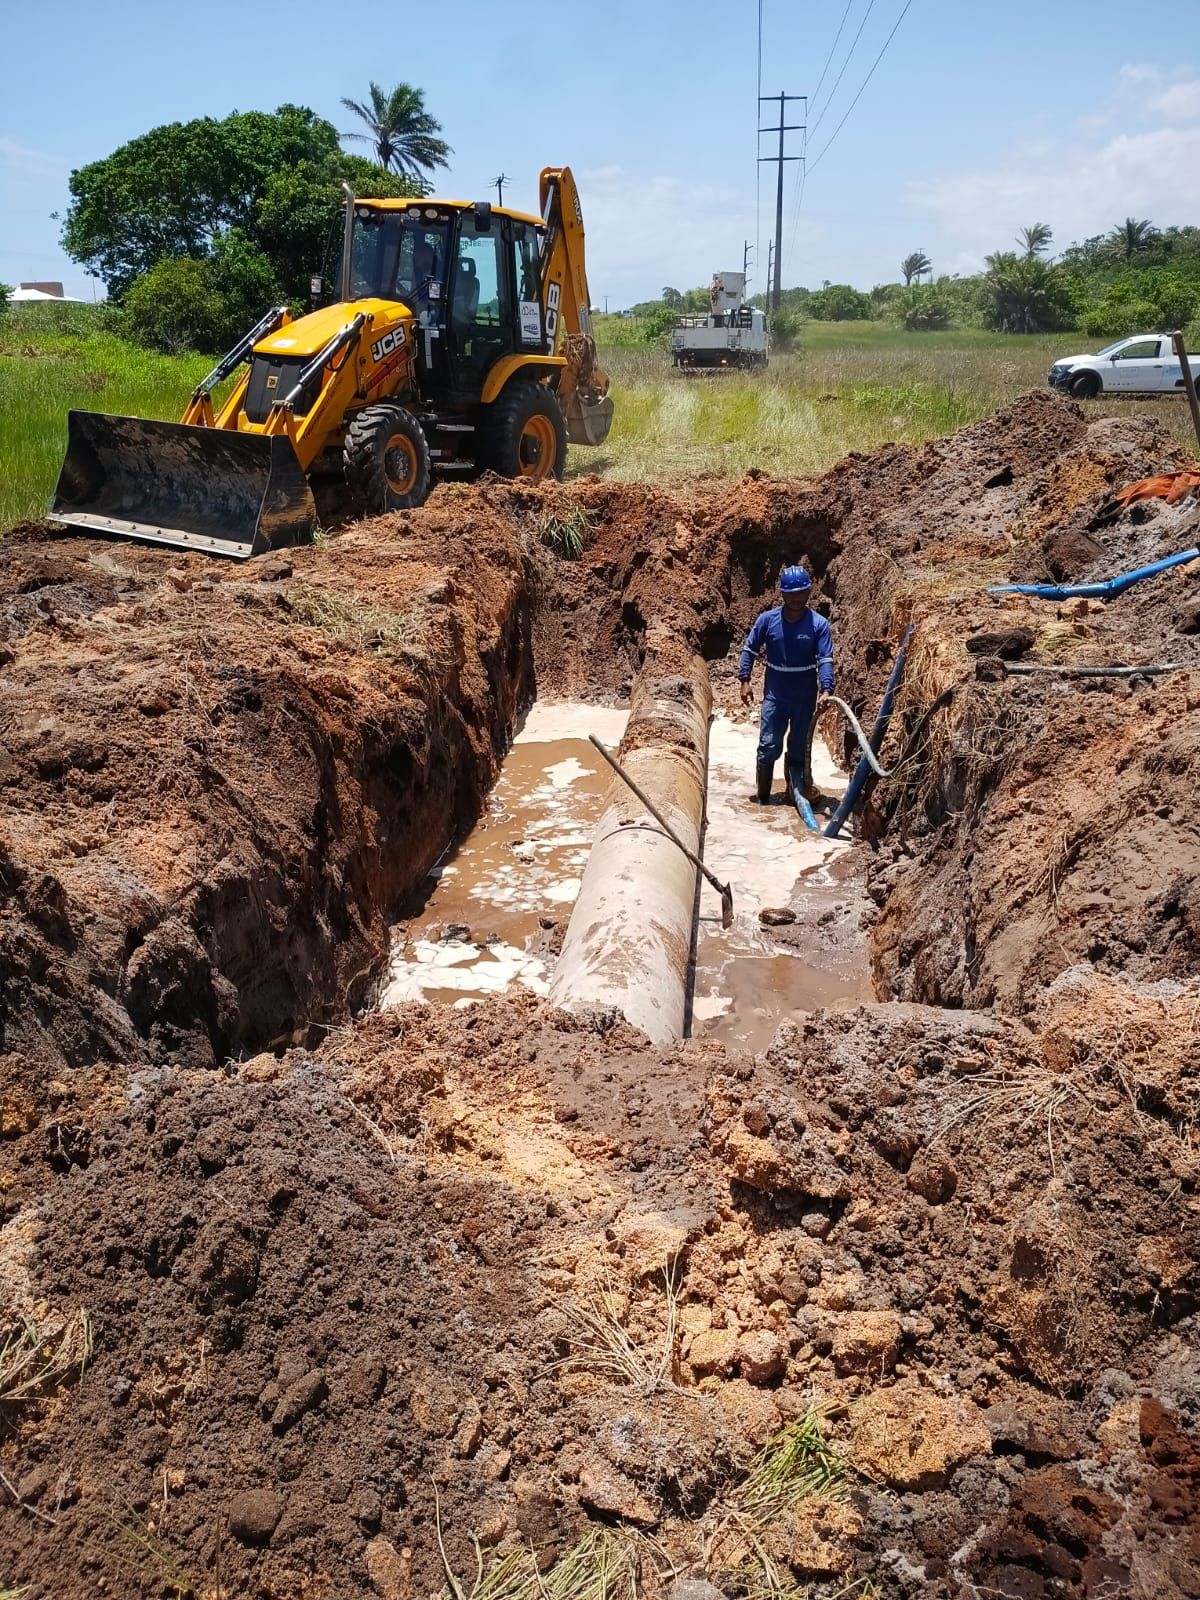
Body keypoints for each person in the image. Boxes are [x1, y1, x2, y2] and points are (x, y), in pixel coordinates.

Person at [738, 565, 834, 804]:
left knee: (799, 746)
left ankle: (795, 793)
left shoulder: (818, 625)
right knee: (769, 746)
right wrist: (745, 680)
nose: (796, 598)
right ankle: (763, 797)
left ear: (809, 592)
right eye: (790, 593)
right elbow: (749, 649)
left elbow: (825, 659)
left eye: (801, 592)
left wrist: (826, 689)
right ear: (781, 594)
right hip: (776, 697)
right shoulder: (767, 621)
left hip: (804, 697)